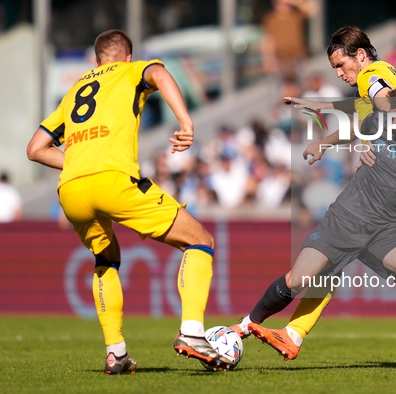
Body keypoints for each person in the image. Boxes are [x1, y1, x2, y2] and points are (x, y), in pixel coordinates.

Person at [232, 27, 396, 370]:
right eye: (334, 67)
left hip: (386, 197)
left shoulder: (371, 76)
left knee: (390, 272)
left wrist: (379, 130)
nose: (339, 73)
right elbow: (362, 107)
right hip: (393, 191)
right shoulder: (382, 72)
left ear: (361, 56)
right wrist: (317, 107)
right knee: (373, 270)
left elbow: (380, 101)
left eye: (341, 64)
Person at [26, 30, 233, 374]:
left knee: (105, 259)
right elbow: (161, 74)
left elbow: (35, 149)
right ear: (127, 56)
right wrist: (186, 121)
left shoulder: (74, 90)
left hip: (71, 190)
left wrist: (80, 160)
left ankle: (116, 352)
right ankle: (192, 332)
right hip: (114, 180)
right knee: (200, 241)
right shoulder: (132, 70)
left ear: (96, 61)